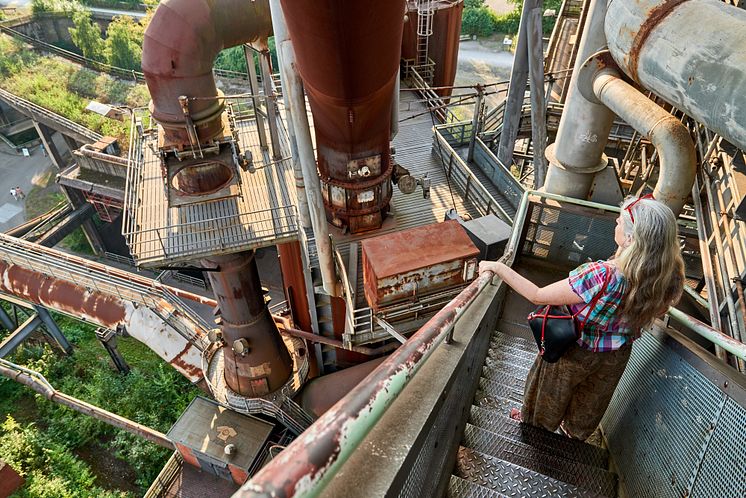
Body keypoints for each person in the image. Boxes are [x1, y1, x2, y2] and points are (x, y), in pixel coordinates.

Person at [478, 195, 684, 440]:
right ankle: (572, 437)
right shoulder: (669, 278)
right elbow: (659, 311)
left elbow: (537, 295)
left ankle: (535, 430)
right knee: (591, 403)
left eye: (621, 222)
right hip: (615, 355)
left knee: (548, 394)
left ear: (630, 239)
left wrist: (499, 267)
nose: (616, 221)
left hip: (574, 348)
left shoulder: (601, 275)